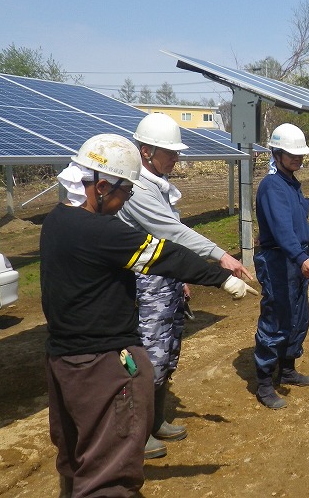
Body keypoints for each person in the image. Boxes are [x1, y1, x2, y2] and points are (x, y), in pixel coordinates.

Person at [41, 134, 252, 498]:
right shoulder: (102, 233)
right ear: (101, 186)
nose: (126, 201)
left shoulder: (57, 221)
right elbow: (166, 254)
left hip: (63, 361)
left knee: (77, 459)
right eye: (125, 192)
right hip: (101, 366)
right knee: (110, 470)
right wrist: (221, 279)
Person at [117, 112, 256, 459]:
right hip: (145, 286)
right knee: (147, 356)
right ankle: (138, 431)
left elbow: (170, 244)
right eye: (171, 152)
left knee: (167, 352)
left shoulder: (158, 185)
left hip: (166, 280)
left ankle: (156, 419)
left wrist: (180, 280)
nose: (177, 158)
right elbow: (172, 233)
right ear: (146, 151)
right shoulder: (136, 190)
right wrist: (221, 257)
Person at [252, 123, 309, 409]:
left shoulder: (291, 183)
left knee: (298, 315)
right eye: (291, 154)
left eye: (300, 154)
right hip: (279, 259)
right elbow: (281, 229)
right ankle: (265, 383)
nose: (298, 159)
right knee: (277, 318)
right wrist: (300, 257)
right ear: (276, 153)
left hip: (294, 257)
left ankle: (288, 369)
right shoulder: (272, 186)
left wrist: (301, 255)